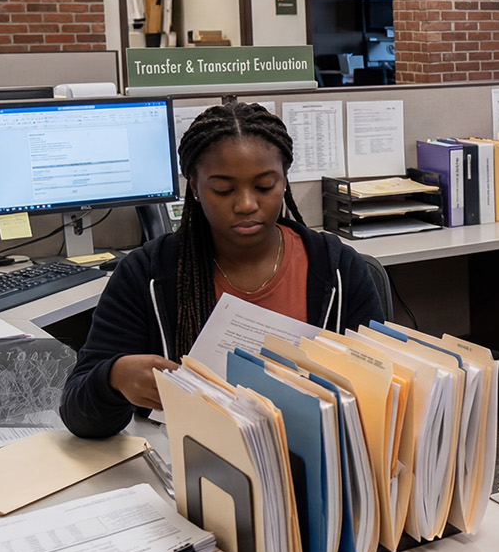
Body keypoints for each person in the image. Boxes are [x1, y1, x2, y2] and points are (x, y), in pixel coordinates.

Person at [61, 102, 385, 438]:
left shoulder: (338, 271)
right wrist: (113, 379)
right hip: (189, 461)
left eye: (264, 186)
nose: (246, 204)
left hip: (317, 460)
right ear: (195, 188)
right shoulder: (148, 274)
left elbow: (382, 395)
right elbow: (79, 415)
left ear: (284, 182)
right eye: (223, 189)